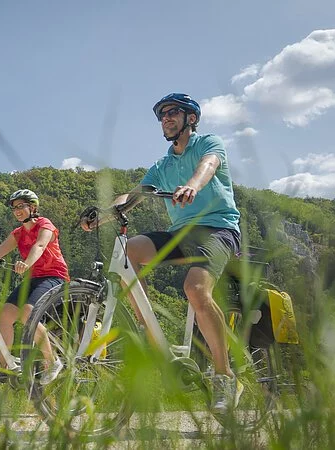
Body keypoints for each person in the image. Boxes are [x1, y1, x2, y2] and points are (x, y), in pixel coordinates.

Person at [83, 93, 242, 414]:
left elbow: (207, 165)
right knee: (128, 253)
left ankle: (225, 377)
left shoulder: (208, 143)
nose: (165, 119)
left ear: (191, 119)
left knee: (195, 289)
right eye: (161, 116)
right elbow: (135, 195)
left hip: (217, 229)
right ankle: (154, 338)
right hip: (180, 233)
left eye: (172, 113)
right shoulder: (163, 165)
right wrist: (103, 214)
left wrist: (194, 185)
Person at [0, 189, 70, 385]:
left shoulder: (45, 224)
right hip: (33, 279)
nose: (16, 211)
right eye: (14, 208)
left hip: (55, 277)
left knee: (27, 312)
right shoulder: (18, 233)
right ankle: (6, 366)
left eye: (20, 206)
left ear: (32, 207)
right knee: (5, 313)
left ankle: (52, 362)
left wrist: (26, 263)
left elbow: (40, 246)